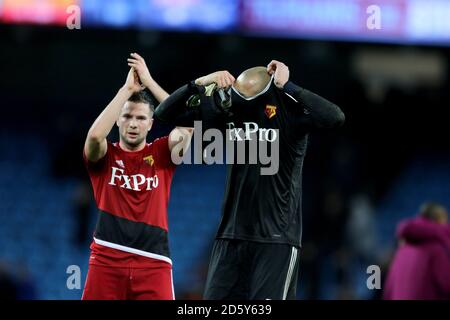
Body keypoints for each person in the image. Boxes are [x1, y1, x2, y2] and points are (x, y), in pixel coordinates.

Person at [155, 60, 345, 299]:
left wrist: (290, 86)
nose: (242, 104)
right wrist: (200, 83)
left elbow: (335, 117)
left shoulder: (289, 110)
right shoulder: (230, 107)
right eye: (239, 97)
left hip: (276, 240)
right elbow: (163, 114)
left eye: (250, 99)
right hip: (231, 236)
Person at [82, 53, 193, 300]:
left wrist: (149, 81)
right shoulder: (105, 155)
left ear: (151, 124)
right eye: (128, 116)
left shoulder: (162, 153)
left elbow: (187, 125)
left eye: (141, 118)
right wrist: (126, 90)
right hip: (107, 259)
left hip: (154, 262)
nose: (133, 123)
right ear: (118, 121)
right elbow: (94, 137)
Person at [383, 202, 450, 300]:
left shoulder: (401, 252)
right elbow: (447, 286)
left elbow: (388, 292)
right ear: (439, 220)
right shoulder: (435, 250)